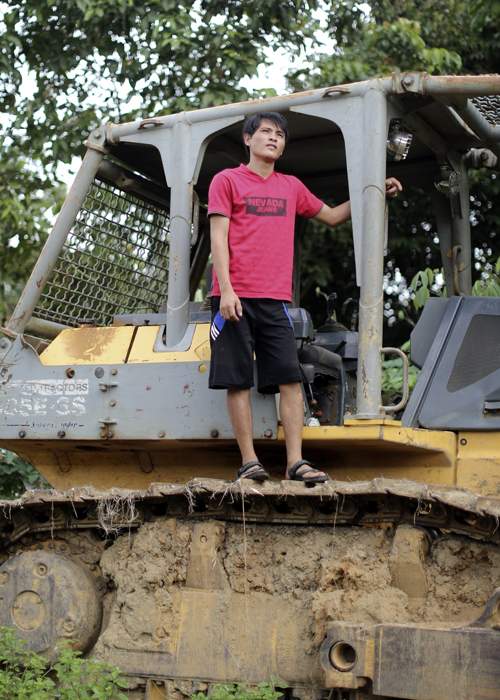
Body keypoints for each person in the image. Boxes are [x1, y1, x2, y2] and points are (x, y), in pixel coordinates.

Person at [208, 112, 402, 483]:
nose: (273, 138)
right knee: (238, 380)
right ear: (247, 139)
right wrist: (227, 290)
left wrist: (374, 192)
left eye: (279, 135)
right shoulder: (227, 181)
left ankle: (295, 462)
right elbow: (219, 237)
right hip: (234, 298)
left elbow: (330, 216)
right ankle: (249, 462)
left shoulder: (291, 186)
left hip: (275, 299)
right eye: (265, 132)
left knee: (290, 378)